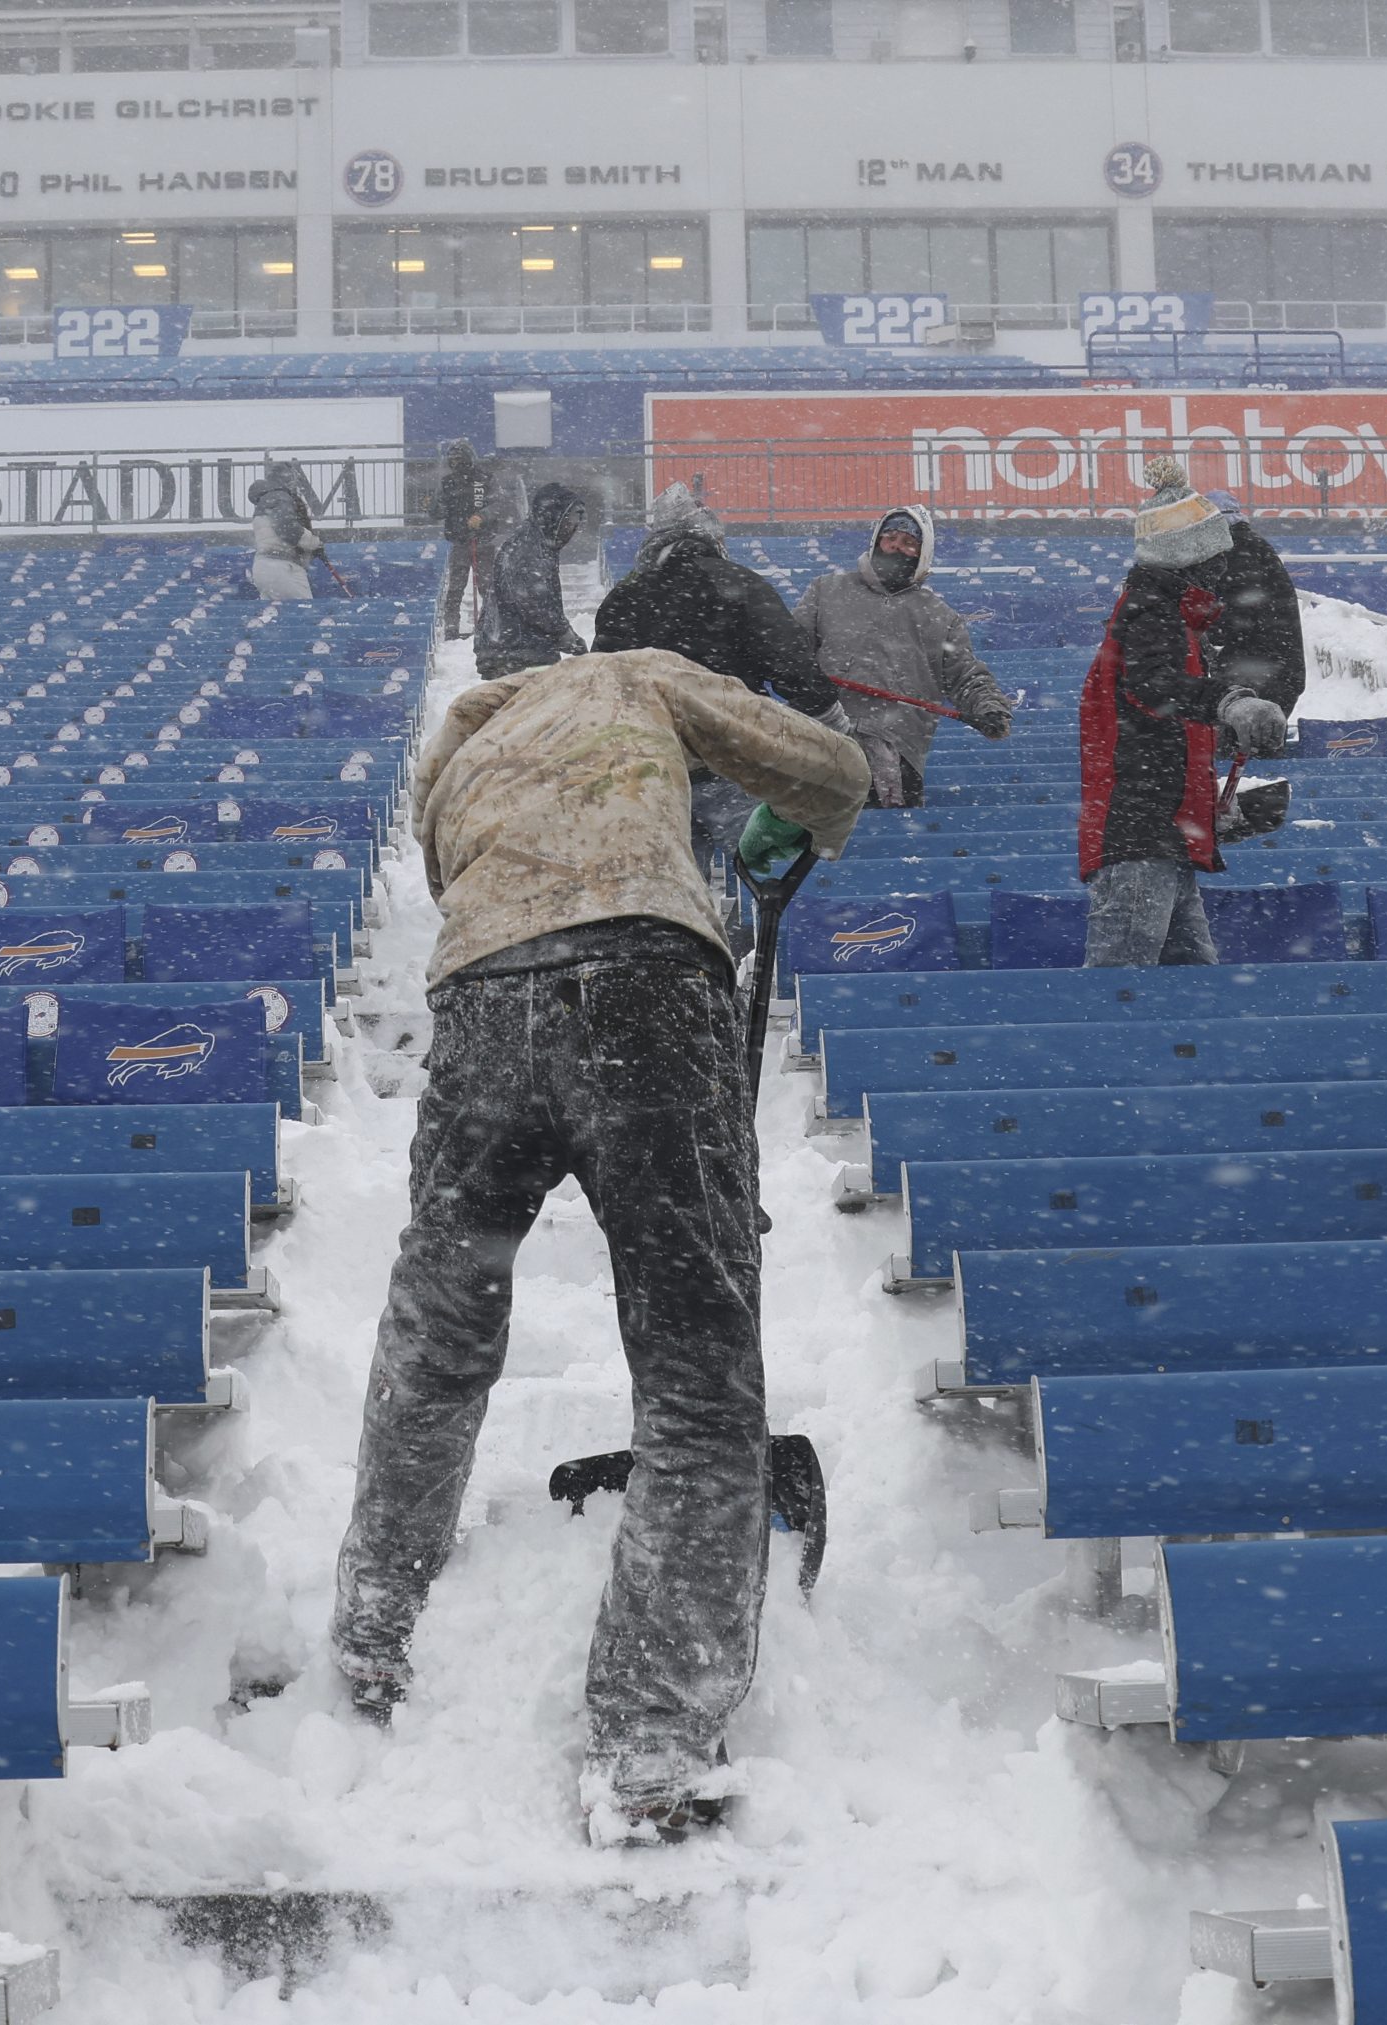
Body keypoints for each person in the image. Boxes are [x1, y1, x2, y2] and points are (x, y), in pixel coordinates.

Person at [329, 642, 870, 1845]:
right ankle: (650, 1745)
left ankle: (373, 1634)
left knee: (439, 1334)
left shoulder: (455, 747)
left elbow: (463, 878)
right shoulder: (635, 676)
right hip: (645, 986)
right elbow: (831, 768)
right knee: (695, 1378)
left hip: (481, 1006)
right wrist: (798, 822)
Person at [1077, 459, 1302, 966]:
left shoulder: (1174, 616)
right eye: (1218, 554)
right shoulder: (1151, 610)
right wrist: (1230, 704)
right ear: (1193, 557)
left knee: (1191, 982)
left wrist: (1215, 808)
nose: (1226, 567)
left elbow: (1169, 729)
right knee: (1124, 981)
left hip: (1163, 834)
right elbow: (1155, 688)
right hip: (1140, 836)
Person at [592, 482, 844, 868]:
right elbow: (790, 660)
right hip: (732, 761)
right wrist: (829, 716)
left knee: (668, 884)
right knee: (762, 873)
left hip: (653, 766)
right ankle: (760, 924)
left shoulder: (626, 596)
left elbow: (600, 685)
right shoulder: (740, 584)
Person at [796, 504, 1013, 808]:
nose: (896, 546)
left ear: (922, 554)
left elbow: (968, 676)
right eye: (890, 538)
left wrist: (990, 709)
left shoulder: (941, 617)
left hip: (897, 752)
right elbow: (791, 649)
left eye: (909, 542)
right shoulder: (826, 590)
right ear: (876, 542)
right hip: (821, 737)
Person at [473, 481, 591, 678]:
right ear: (555, 516)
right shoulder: (528, 548)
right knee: (535, 707)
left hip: (515, 650)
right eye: (572, 519)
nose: (575, 527)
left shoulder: (537, 544)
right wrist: (564, 634)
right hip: (518, 654)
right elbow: (534, 602)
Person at [245, 461, 325, 602]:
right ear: (286, 478)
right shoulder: (280, 496)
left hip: (262, 566)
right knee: (304, 613)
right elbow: (286, 527)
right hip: (282, 566)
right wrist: (313, 542)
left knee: (276, 616)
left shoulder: (264, 501)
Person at [435, 440, 487, 640]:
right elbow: (436, 511)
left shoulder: (485, 479)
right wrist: (437, 506)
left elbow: (498, 504)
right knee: (455, 589)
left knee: (487, 588)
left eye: (459, 459)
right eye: (453, 459)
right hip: (459, 542)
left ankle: (490, 625)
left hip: (483, 542)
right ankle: (451, 629)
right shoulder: (447, 483)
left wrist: (482, 517)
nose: (456, 463)